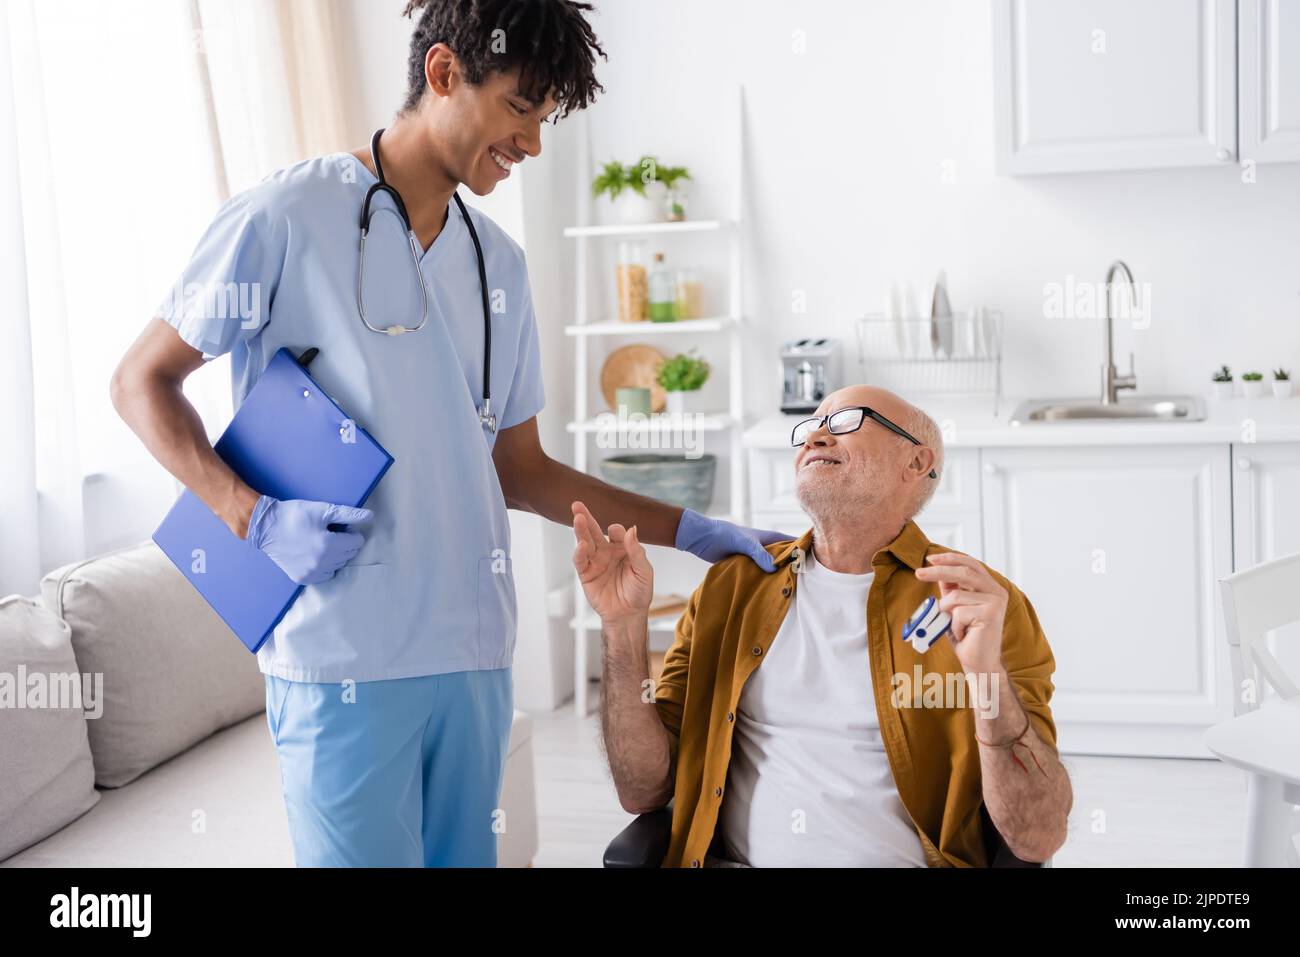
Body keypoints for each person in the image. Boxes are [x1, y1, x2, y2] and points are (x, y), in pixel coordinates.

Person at [110, 0, 786, 868]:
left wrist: (692, 529)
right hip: (339, 655)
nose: (533, 145)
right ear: (441, 74)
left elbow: (524, 469)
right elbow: (140, 382)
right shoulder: (284, 216)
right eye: (520, 110)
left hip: (472, 657)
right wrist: (252, 518)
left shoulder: (495, 263)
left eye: (544, 122)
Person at [574, 385, 1073, 867]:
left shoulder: (977, 602)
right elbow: (642, 790)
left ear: (916, 462)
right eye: (811, 426)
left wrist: (987, 677)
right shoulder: (732, 588)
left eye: (846, 422)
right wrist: (622, 627)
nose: (815, 436)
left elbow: (1037, 837)